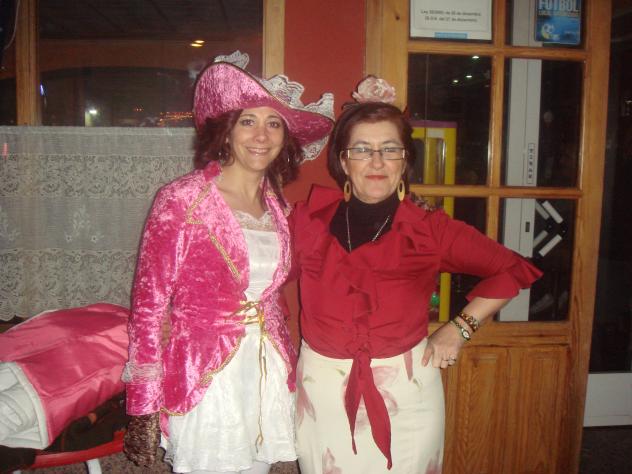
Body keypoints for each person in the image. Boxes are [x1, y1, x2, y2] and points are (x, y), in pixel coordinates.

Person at [291, 76, 542, 474]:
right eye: (362, 149)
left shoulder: (429, 228)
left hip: (407, 396)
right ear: (343, 161)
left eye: (390, 149)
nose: (377, 161)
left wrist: (459, 328)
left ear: (404, 160)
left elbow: (513, 268)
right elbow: (259, 278)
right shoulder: (307, 221)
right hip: (321, 393)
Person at [122, 51, 333, 474]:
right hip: (207, 375)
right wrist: (141, 404)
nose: (262, 135)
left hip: (265, 370)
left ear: (286, 138)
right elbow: (148, 307)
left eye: (274, 124)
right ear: (228, 130)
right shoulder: (181, 199)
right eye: (248, 121)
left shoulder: (277, 207)